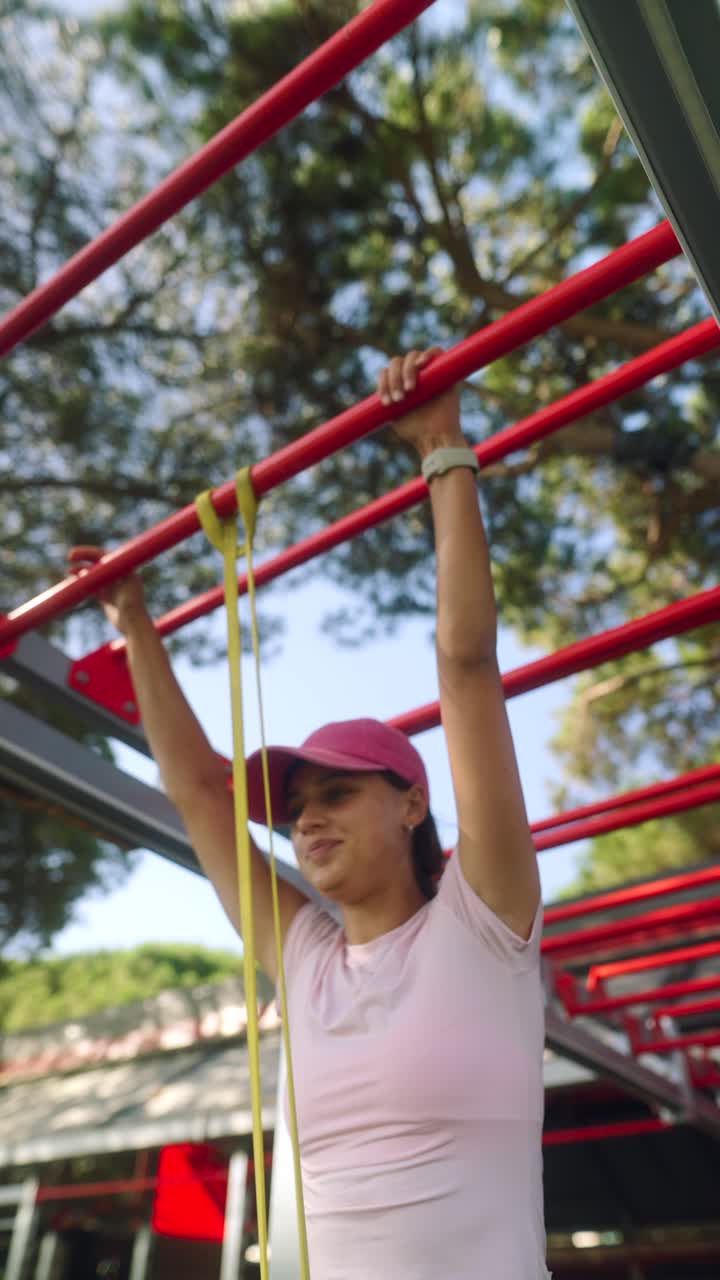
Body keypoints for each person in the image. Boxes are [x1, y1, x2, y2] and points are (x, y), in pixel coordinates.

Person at [70, 348, 549, 1278]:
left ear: (412, 804)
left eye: (337, 793)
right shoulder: (304, 957)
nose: (308, 823)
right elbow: (200, 792)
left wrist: (442, 450)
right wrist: (133, 625)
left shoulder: (485, 920)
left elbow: (466, 669)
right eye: (295, 810)